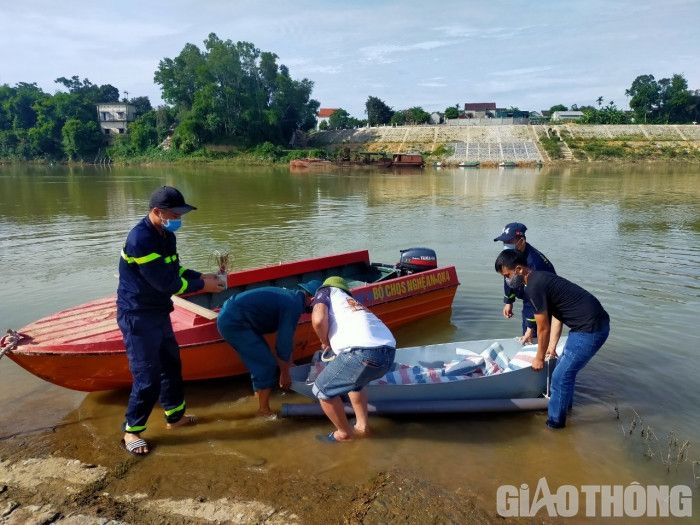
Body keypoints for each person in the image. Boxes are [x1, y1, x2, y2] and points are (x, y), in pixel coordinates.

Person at [117, 186, 225, 455]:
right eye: (175, 213)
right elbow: (166, 283)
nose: (179, 218)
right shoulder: (140, 239)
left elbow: (175, 270)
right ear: (157, 212)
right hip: (138, 316)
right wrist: (203, 285)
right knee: (147, 376)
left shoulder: (165, 235)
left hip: (159, 312)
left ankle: (175, 418)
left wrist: (205, 276)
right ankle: (132, 431)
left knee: (171, 366)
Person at [495, 249, 610, 429]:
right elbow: (558, 314)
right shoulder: (539, 278)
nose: (507, 280)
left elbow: (542, 327)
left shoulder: (533, 286)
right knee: (566, 373)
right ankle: (566, 409)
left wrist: (539, 358)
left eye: (507, 275)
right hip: (587, 325)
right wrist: (552, 346)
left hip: (590, 330)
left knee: (559, 377)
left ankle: (555, 425)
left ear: (518, 269)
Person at [216, 280, 323, 416]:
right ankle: (263, 410)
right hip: (235, 322)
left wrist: (289, 364)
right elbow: (282, 344)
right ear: (312, 299)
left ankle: (258, 395)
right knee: (266, 364)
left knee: (260, 359)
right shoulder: (293, 305)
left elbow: (287, 339)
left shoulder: (292, 298)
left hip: (237, 317)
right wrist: (284, 374)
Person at [310, 276, 396, 442]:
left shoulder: (324, 291)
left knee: (321, 390)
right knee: (355, 384)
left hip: (361, 353)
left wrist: (324, 342)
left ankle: (344, 433)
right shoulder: (351, 302)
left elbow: (319, 320)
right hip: (388, 353)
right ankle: (363, 427)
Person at [493, 222, 555, 343]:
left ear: (521, 241)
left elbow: (533, 298)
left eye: (509, 242)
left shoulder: (535, 265)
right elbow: (508, 275)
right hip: (530, 300)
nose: (506, 245)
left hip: (544, 303)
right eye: (504, 242)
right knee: (527, 331)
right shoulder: (513, 256)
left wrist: (530, 328)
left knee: (536, 336)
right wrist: (508, 301)